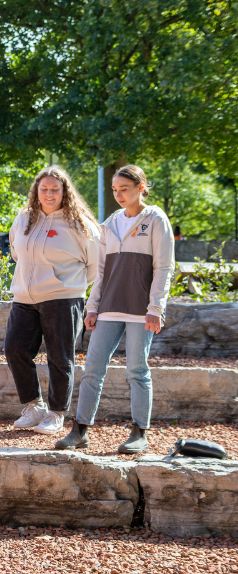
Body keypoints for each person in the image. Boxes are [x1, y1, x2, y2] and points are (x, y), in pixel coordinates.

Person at [56, 165, 174, 454]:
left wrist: (156, 307)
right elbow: (103, 270)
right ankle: (80, 430)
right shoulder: (110, 223)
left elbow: (164, 268)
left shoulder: (156, 219)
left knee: (137, 370)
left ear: (140, 187)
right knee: (93, 368)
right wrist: (93, 306)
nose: (119, 194)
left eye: (125, 188)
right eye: (115, 190)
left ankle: (139, 432)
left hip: (140, 309)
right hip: (109, 308)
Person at [5, 166, 101, 435]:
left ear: (64, 192)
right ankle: (34, 406)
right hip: (25, 296)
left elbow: (95, 264)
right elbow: (16, 252)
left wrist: (68, 284)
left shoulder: (79, 223)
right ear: (36, 191)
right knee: (14, 348)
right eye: (44, 189)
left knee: (60, 357)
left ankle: (56, 413)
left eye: (54, 189)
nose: (48, 193)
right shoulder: (23, 218)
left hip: (62, 298)